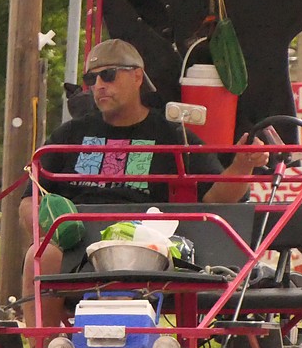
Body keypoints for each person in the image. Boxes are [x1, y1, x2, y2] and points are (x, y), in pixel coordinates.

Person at [19, 38, 268, 327]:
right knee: (40, 253)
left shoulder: (172, 134)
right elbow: (29, 199)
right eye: (91, 78)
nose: (99, 84)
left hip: (148, 244)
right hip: (79, 244)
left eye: (109, 75)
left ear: (137, 76)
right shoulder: (69, 134)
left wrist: (241, 167)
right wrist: (49, 232)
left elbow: (216, 200)